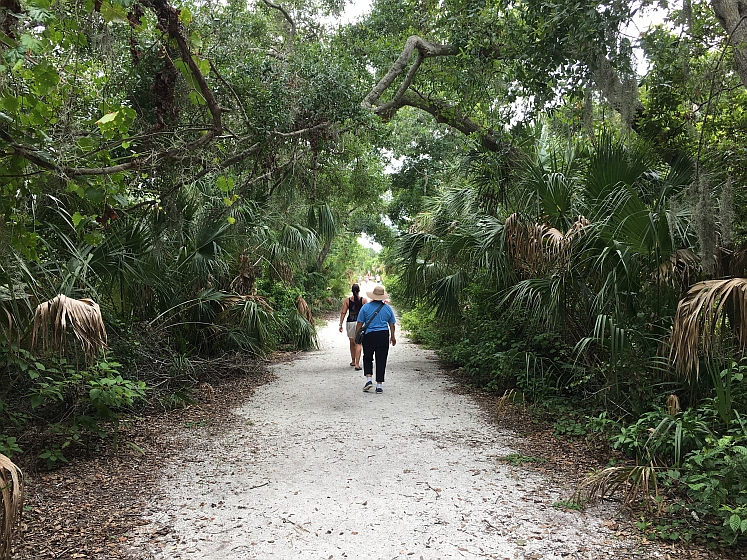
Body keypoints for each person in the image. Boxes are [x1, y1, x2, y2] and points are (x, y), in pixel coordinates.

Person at [355, 284, 396, 393]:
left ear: (373, 296)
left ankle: (369, 379)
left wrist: (357, 335)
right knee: (381, 359)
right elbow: (392, 324)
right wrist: (392, 336)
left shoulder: (366, 307)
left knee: (368, 357)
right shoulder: (387, 308)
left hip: (369, 335)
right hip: (383, 335)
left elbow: (359, 323)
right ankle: (379, 386)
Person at [338, 284, 367, 370]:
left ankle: (353, 361)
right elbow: (367, 312)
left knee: (351, 342)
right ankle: (357, 363)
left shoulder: (347, 301)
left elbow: (343, 312)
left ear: (351, 290)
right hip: (360, 323)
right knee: (359, 343)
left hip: (350, 322)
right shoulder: (363, 300)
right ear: (359, 290)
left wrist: (340, 324)